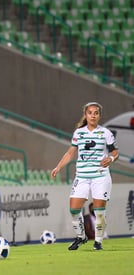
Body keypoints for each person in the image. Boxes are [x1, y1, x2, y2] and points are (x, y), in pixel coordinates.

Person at [51, 102, 119, 251]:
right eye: (90, 113)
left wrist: (111, 159)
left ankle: (98, 242)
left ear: (99, 116)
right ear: (86, 115)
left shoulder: (106, 133)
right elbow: (70, 153)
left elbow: (115, 152)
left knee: (99, 209)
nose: (93, 115)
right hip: (82, 176)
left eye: (96, 113)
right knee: (74, 209)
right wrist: (58, 167)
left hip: (100, 176)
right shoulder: (78, 133)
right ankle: (81, 237)